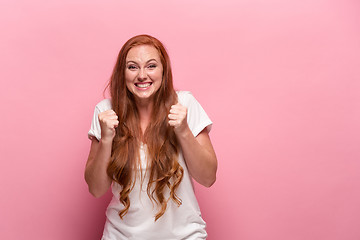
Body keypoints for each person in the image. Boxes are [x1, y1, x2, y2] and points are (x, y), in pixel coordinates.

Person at [85, 34, 217, 240]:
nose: (142, 75)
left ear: (164, 71)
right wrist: (107, 140)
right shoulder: (105, 112)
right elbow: (95, 188)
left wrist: (183, 131)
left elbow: (208, 177)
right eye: (132, 67)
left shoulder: (185, 104)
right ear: (123, 72)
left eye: (151, 66)